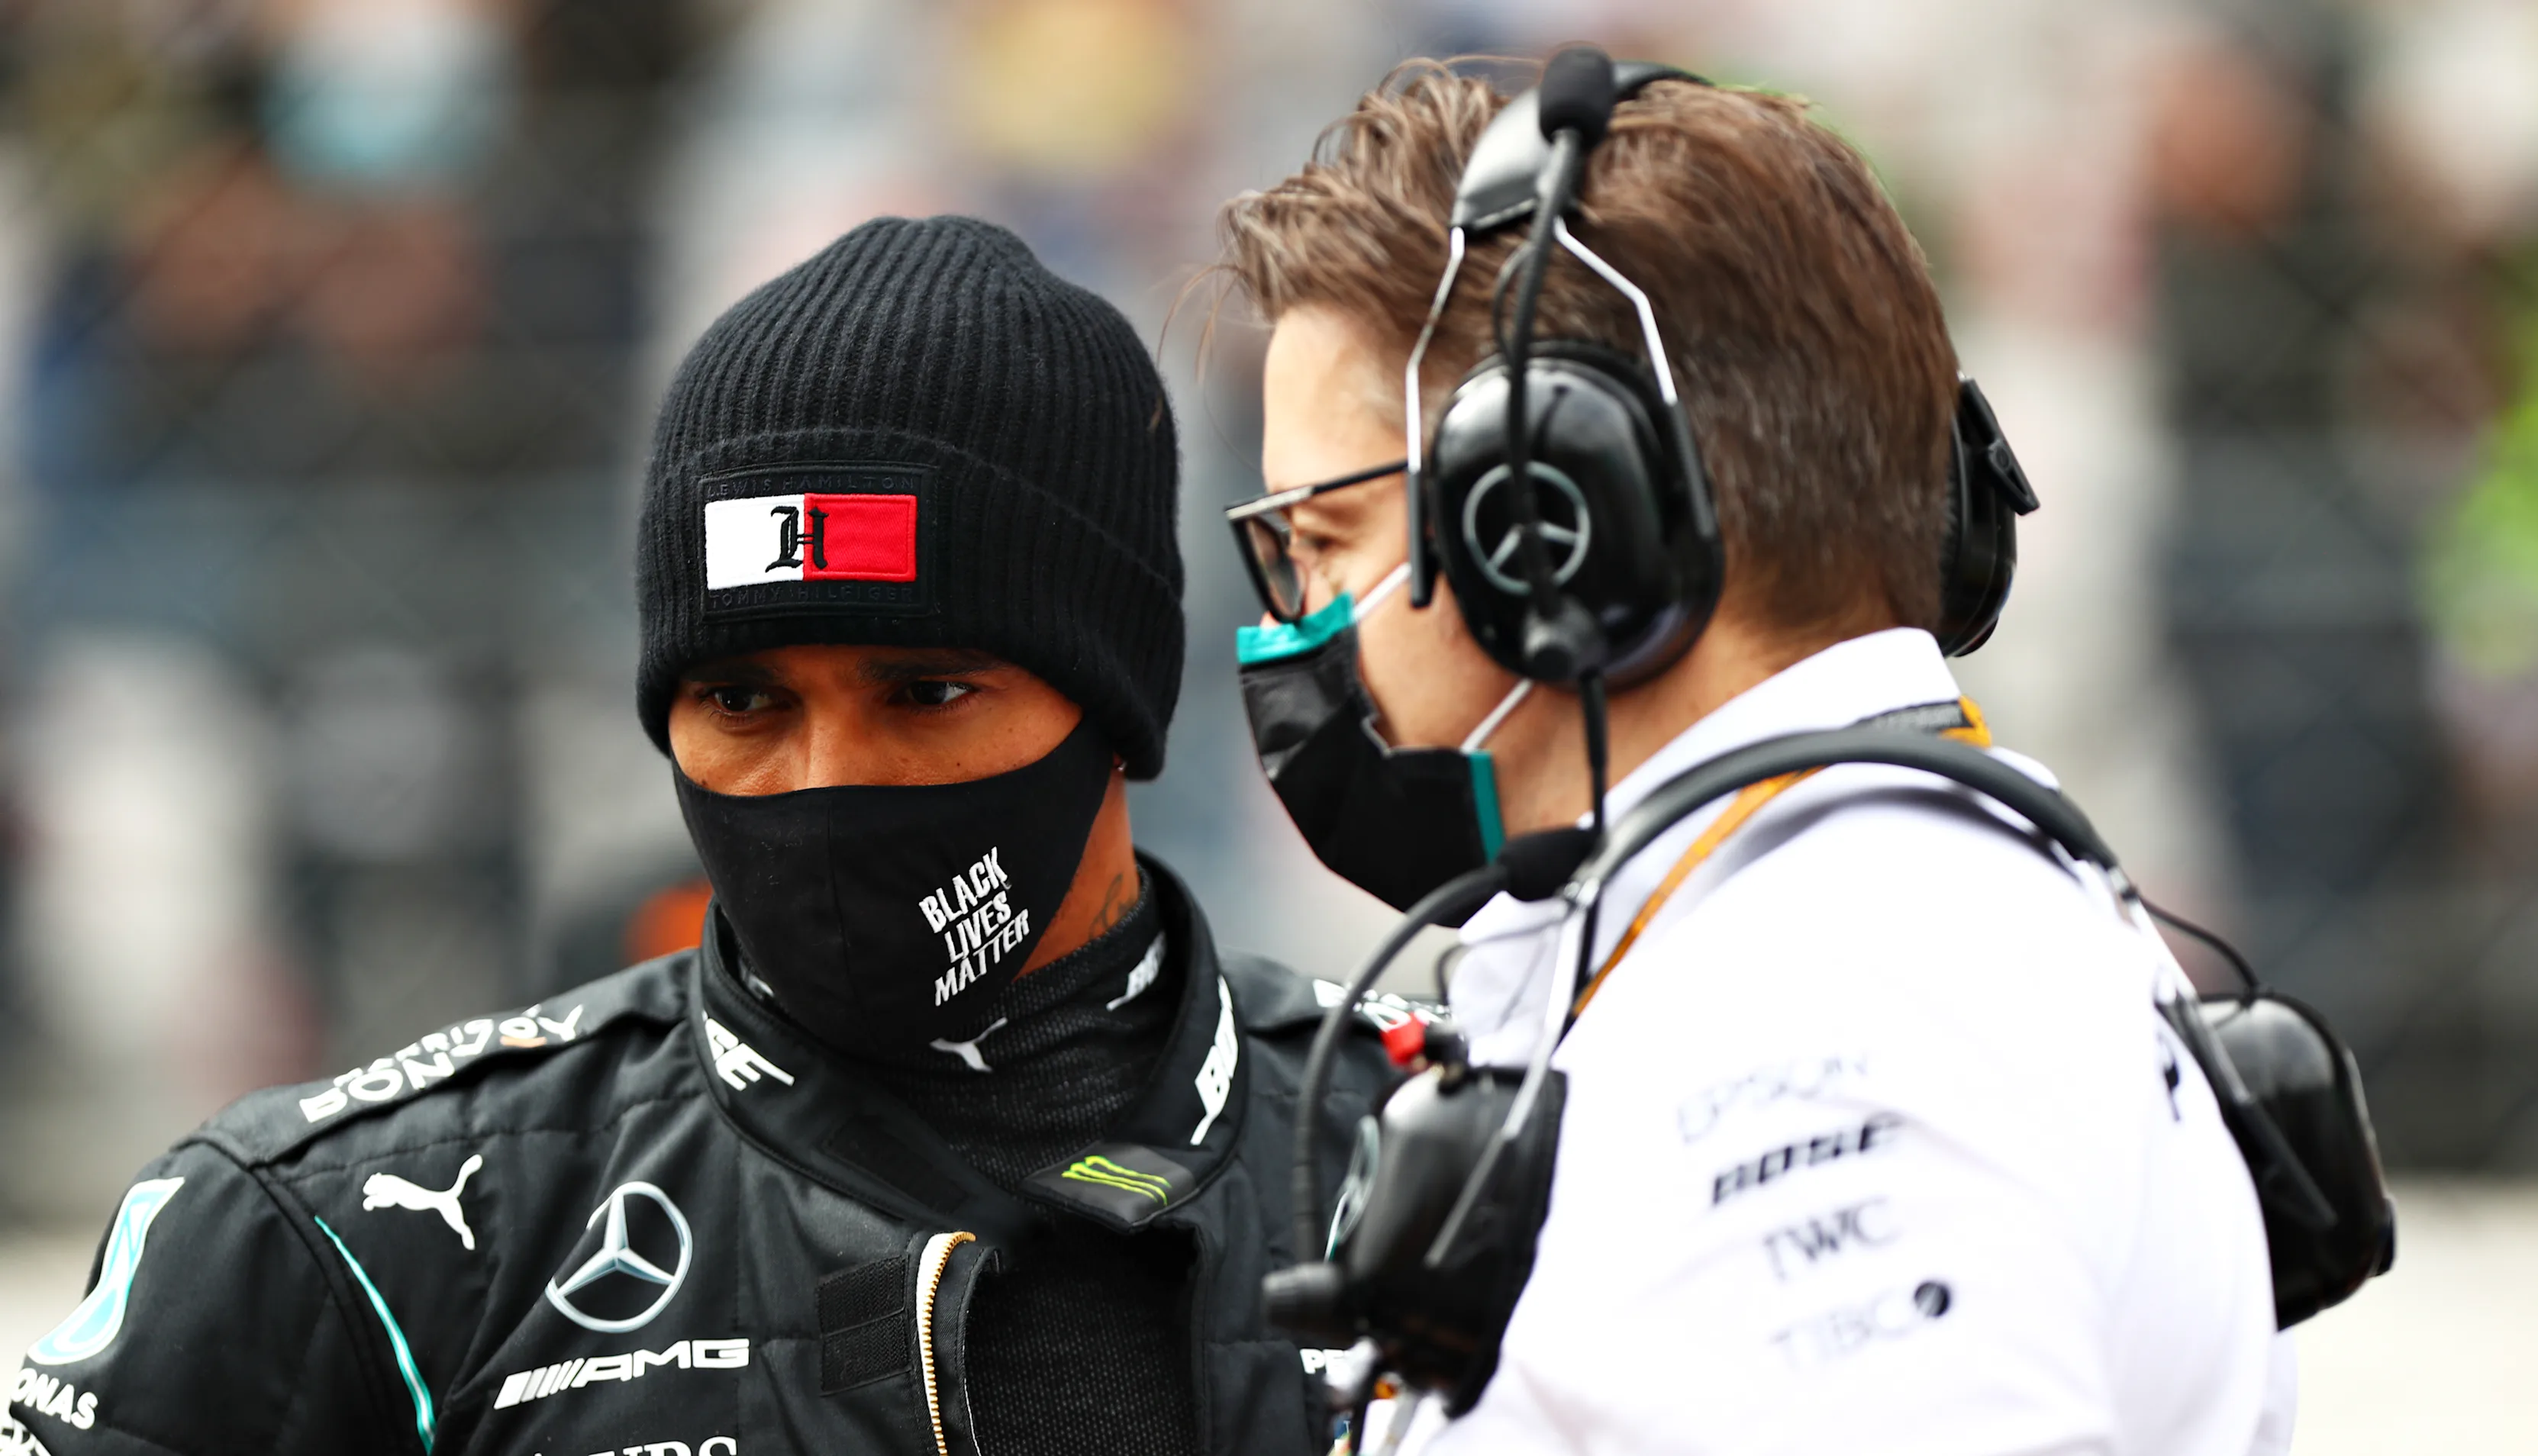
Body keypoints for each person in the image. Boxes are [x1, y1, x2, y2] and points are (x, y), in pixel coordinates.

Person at [4, 217, 1395, 1456]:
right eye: (743, 702)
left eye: (924, 695)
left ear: (1118, 706)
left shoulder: (1444, 1150)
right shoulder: (338, 1240)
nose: (826, 782)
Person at [1213, 59, 2297, 1454]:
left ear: (1547, 526)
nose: (1293, 620)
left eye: (1321, 539)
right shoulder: (1841, 925)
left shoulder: (1824, 1010)